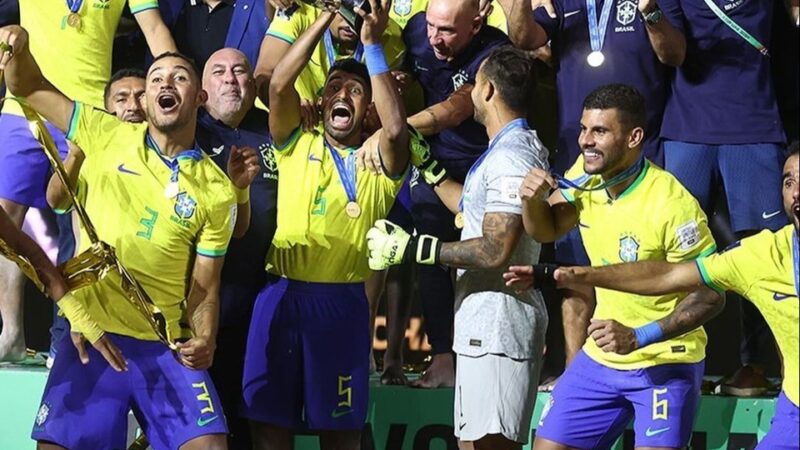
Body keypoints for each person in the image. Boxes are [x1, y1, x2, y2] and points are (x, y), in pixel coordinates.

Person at [0, 23, 262, 448]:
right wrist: (21, 45)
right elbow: (28, 85)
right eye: (156, 78)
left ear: (199, 98)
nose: (165, 83)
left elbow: (205, 288)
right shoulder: (104, 133)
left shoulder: (217, 190)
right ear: (147, 99)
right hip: (93, 336)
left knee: (211, 446)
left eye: (179, 77)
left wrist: (205, 337)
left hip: (163, 344)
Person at [535, 145, 800, 450]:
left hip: (669, 364)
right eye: (789, 182)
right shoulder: (763, 255)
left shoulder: (670, 201)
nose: (796, 193)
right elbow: (670, 275)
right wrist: (581, 275)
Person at [504, 84, 723, 450]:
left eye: (600, 131)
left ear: (635, 136)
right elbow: (547, 229)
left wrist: (641, 336)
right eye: (583, 129)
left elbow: (712, 294)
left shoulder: (673, 205)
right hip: (601, 358)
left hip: (664, 362)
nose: (585, 141)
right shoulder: (586, 175)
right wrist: (531, 201)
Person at [240, 0, 410, 448]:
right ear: (320, 98)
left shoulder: (379, 158)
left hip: (342, 306)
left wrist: (372, 48)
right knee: (269, 430)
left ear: (368, 109)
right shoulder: (296, 141)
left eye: (355, 92)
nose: (342, 97)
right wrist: (325, 16)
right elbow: (278, 85)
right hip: (281, 293)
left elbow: (396, 130)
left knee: (340, 435)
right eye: (334, 88)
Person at [367, 46, 548, 450]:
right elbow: (472, 207)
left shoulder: (512, 157)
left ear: (486, 90)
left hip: (501, 329)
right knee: (470, 445)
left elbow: (494, 249)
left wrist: (416, 248)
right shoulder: (502, 151)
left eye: (472, 85)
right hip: (482, 327)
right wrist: (429, 166)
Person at [501, 0, 685, 380]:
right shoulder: (565, 3)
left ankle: (647, 367)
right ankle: (575, 375)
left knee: (641, 267)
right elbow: (523, 37)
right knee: (574, 275)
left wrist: (650, 11)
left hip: (640, 156)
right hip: (578, 158)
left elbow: (673, 55)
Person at [0, 0, 175, 363]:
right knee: (4, 219)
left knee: (87, 226)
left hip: (87, 112)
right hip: (23, 104)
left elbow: (155, 29)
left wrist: (174, 82)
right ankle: (11, 332)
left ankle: (72, 334)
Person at [658, 0, 790, 394]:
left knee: (765, 253)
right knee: (672, 248)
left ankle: (762, 365)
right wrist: (649, 11)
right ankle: (669, 356)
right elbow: (672, 54)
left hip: (754, 126)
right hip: (687, 128)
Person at [397, 0, 516, 388]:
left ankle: (488, 358)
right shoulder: (416, 32)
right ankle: (443, 357)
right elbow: (410, 74)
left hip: (483, 166)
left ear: (476, 24)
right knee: (429, 253)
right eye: (431, 26)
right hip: (434, 162)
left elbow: (455, 109)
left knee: (486, 259)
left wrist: (395, 132)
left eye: (447, 30)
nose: (434, 38)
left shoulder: (495, 51)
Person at [198, 47, 277, 450]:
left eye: (240, 70)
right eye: (219, 71)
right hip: (208, 293)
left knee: (259, 415)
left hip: (273, 295)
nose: (231, 78)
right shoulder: (189, 132)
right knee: (213, 412)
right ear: (201, 89)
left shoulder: (277, 128)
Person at [45, 68, 148, 368]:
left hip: (146, 305)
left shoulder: (172, 156)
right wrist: (75, 155)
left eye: (141, 96)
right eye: (122, 98)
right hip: (89, 304)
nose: (133, 106)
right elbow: (56, 201)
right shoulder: (91, 152)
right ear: (107, 109)